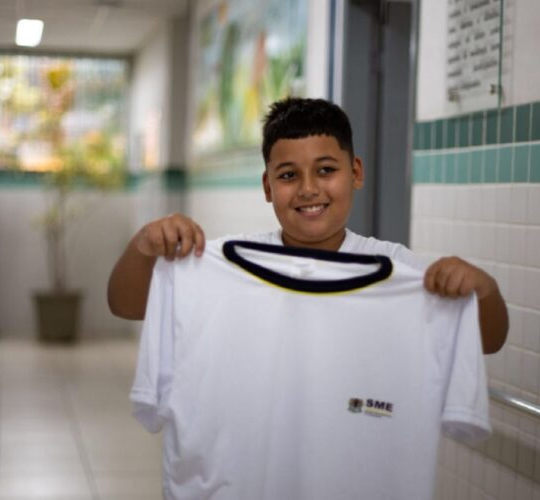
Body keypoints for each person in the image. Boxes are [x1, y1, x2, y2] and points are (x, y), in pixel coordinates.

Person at [108, 97, 508, 354]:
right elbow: (126, 305)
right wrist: (143, 246)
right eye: (288, 176)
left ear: (355, 173)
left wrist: (484, 290)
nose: (308, 189)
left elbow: (487, 342)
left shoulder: (395, 269)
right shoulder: (232, 264)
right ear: (268, 187)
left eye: (326, 170)